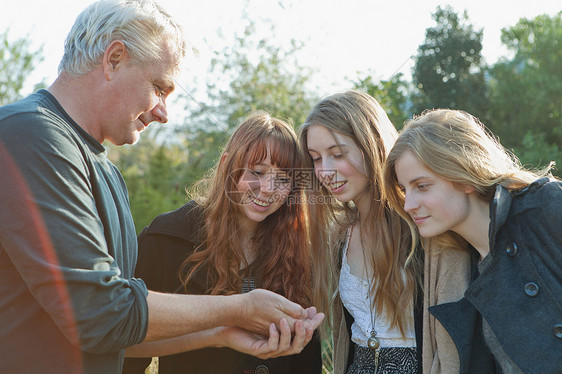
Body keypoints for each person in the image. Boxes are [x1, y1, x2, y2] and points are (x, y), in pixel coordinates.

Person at [0, 1, 322, 373]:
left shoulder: (104, 169)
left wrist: (223, 333)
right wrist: (241, 307)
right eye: (159, 88)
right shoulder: (31, 135)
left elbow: (118, 331)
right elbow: (100, 309)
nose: (163, 113)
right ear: (114, 58)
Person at [122, 112, 323, 373]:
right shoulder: (167, 238)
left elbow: (305, 364)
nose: (267, 188)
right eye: (257, 171)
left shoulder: (299, 253)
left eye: (283, 179)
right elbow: (123, 343)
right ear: (228, 165)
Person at [383, 109, 562, 374]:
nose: (408, 205)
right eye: (404, 190)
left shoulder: (544, 208)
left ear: (464, 175)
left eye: (422, 186)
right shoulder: (454, 264)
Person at [299, 90, 423, 374]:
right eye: (316, 159)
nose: (325, 171)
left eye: (337, 154)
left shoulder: (419, 222)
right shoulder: (340, 234)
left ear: (372, 145)